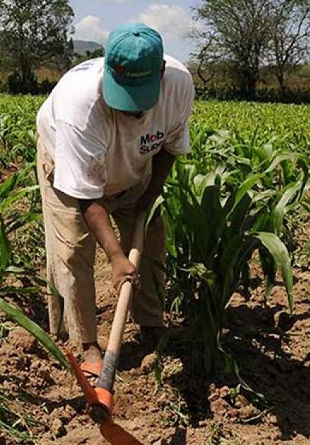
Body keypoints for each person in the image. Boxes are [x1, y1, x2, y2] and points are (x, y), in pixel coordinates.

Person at [35, 22, 194, 380]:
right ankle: (86, 344)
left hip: (135, 168)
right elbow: (86, 197)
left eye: (139, 99)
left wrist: (147, 200)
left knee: (152, 236)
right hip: (70, 170)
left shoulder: (179, 85)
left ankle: (150, 322)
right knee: (74, 249)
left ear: (161, 74)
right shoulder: (80, 105)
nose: (131, 111)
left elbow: (169, 148)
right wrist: (116, 257)